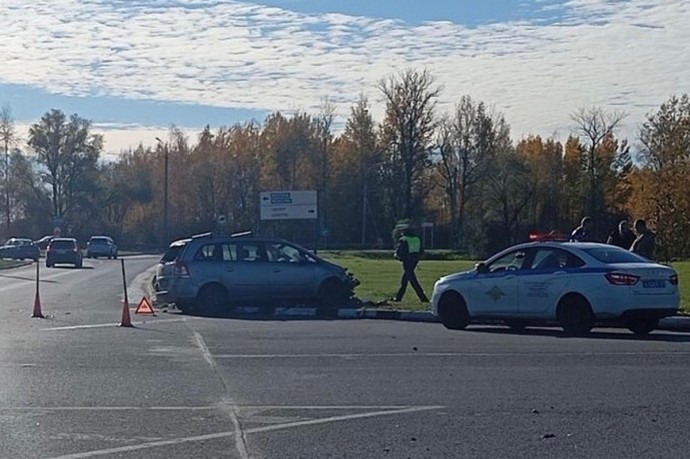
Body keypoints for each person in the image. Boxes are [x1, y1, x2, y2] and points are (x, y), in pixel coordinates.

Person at [392, 226, 429, 303]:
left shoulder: (404, 239)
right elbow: (421, 251)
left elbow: (400, 252)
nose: (401, 233)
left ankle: (423, 298)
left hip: (407, 261)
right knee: (405, 279)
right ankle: (398, 298)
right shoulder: (416, 239)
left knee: (413, 281)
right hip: (415, 260)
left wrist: (397, 256)